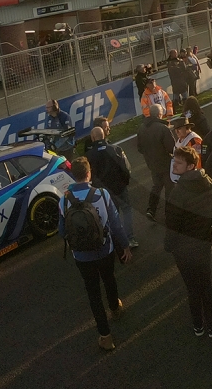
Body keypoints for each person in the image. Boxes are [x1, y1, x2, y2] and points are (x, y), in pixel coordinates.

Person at [59, 157, 132, 351]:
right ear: (89, 173)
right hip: (104, 250)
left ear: (73, 175)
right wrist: (124, 245)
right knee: (109, 279)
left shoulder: (64, 199)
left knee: (93, 293)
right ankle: (115, 308)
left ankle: (105, 336)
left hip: (82, 256)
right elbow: (115, 225)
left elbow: (61, 231)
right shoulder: (101, 194)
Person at [165, 146, 212, 337]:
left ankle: (198, 325)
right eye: (174, 161)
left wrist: (169, 246)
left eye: (178, 163)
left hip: (183, 249)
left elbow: (172, 223)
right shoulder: (208, 182)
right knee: (205, 284)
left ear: (190, 166)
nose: (174, 166)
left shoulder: (178, 191)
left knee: (192, 288)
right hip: (203, 243)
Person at [85, 127, 137, 249]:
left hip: (102, 192)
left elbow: (88, 176)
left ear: (93, 138)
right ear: (103, 136)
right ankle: (130, 238)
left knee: (111, 215)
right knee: (127, 210)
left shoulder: (88, 155)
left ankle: (117, 241)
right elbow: (126, 168)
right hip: (119, 187)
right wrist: (124, 182)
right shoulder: (116, 149)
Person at [137, 110, 175, 221]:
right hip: (166, 164)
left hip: (152, 164)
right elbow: (171, 148)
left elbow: (139, 148)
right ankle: (170, 213)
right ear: (159, 114)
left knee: (156, 187)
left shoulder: (141, 128)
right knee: (170, 189)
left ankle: (151, 209)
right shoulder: (163, 129)